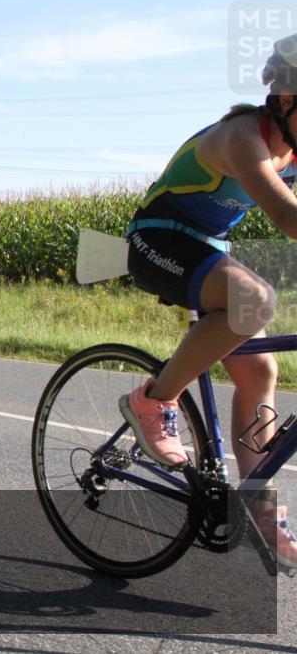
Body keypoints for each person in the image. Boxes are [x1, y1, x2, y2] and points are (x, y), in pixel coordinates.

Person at [119, 34, 297, 568]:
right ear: (287, 99)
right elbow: (289, 221)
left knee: (260, 371)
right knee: (255, 301)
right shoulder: (244, 136)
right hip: (157, 238)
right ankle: (153, 399)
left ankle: (258, 505)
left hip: (207, 249)